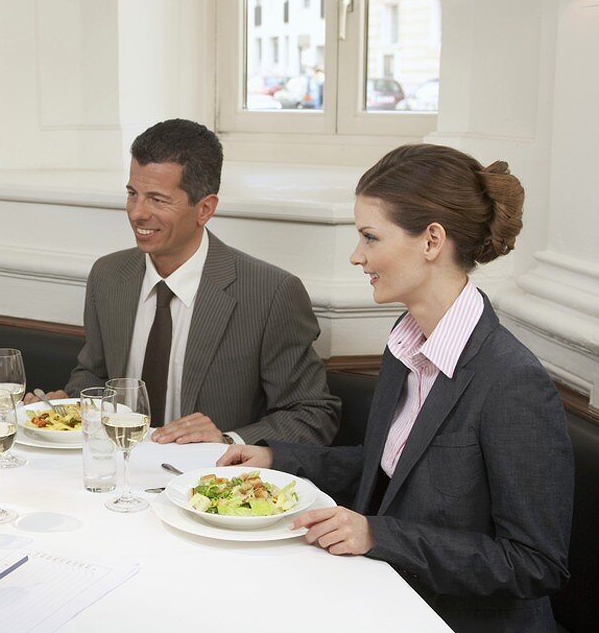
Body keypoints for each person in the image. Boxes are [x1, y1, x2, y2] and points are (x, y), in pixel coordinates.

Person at [218, 144, 572, 632]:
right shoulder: (407, 343)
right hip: (383, 599)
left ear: (431, 241)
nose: (356, 256)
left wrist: (377, 535)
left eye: (369, 237)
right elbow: (388, 470)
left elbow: (534, 563)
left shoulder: (512, 382)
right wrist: (279, 459)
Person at [36, 119, 339, 446]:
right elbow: (94, 375)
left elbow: (312, 414)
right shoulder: (108, 276)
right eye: (132, 194)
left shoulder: (270, 293)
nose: (137, 213)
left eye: (157, 199)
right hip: (113, 471)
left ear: (205, 209)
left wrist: (227, 439)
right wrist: (65, 407)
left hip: (207, 483)